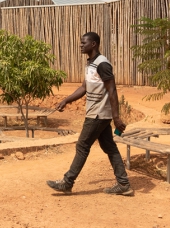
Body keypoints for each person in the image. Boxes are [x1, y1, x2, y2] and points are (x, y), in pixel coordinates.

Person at [46, 31, 131, 196]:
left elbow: (112, 90)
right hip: (97, 113)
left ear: (93, 44)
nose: (81, 45)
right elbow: (84, 88)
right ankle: (123, 184)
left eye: (83, 42)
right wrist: (66, 100)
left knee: (82, 146)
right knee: (109, 147)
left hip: (98, 114)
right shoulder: (90, 63)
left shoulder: (102, 64)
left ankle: (67, 182)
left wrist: (116, 117)